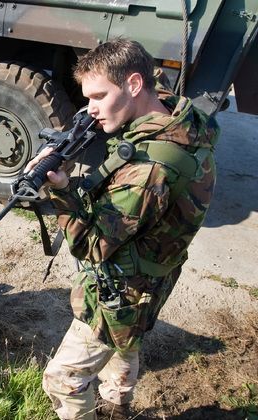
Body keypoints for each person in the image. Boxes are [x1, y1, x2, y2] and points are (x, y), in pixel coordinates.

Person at [26, 39, 219, 419]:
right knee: (125, 346)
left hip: (124, 288)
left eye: (99, 96)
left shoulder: (148, 170)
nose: (91, 109)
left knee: (61, 379)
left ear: (133, 85)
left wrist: (63, 190)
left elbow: (93, 247)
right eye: (87, 98)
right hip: (156, 271)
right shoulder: (181, 119)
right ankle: (116, 405)